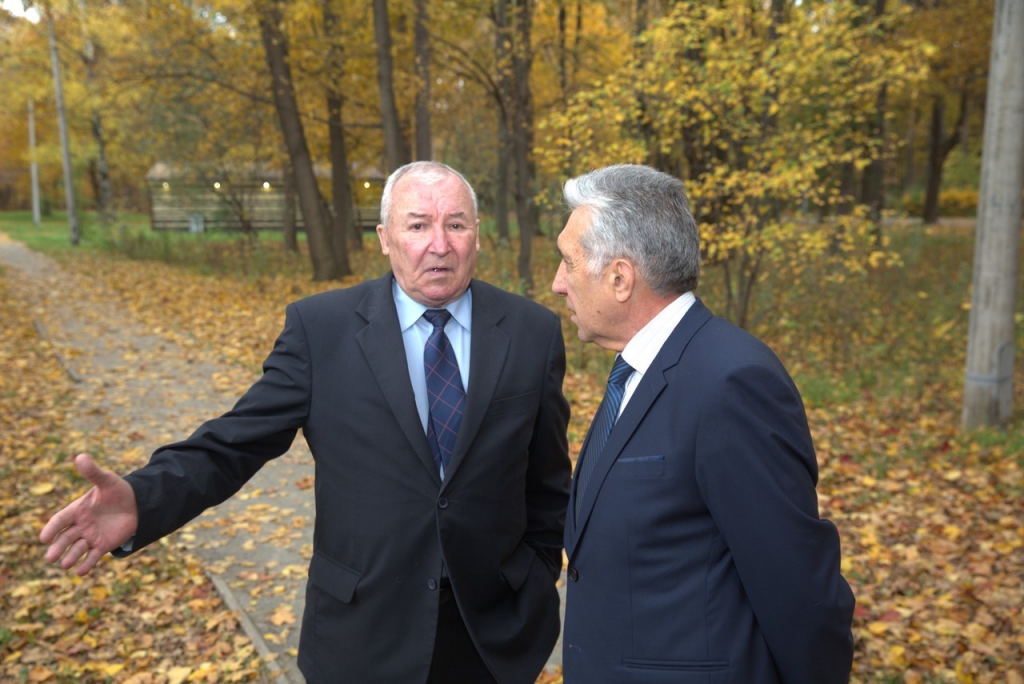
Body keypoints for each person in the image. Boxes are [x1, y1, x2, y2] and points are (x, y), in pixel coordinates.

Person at [41, 161, 571, 684]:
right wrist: (143, 498)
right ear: (385, 238)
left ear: (476, 234)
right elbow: (235, 443)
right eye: (417, 225)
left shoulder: (532, 331)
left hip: (491, 637)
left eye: (455, 224)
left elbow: (547, 480)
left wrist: (536, 575)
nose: (440, 244)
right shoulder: (320, 329)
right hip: (362, 635)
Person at [551, 164, 855, 683]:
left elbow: (798, 589)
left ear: (620, 278)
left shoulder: (732, 382)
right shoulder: (637, 369)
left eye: (567, 262)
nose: (558, 284)